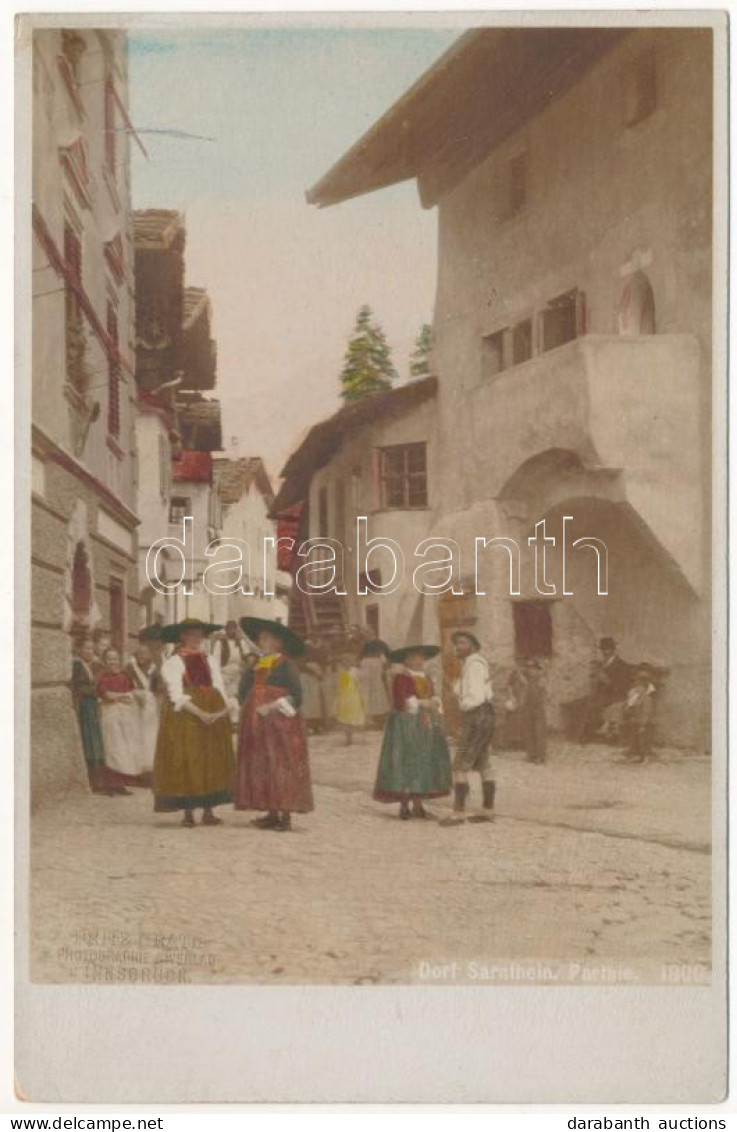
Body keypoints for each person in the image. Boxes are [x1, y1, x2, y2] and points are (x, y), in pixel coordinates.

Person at [153, 618, 235, 827]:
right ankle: (188, 812)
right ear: (183, 637)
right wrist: (200, 713)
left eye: (200, 635)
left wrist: (223, 711)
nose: (197, 639)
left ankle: (209, 811)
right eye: (192, 635)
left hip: (212, 714)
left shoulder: (210, 660)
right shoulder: (174, 662)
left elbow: (219, 687)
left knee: (211, 760)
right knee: (189, 760)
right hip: (186, 718)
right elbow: (175, 695)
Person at [235, 616, 313, 833]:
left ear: (279, 643)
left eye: (268, 639)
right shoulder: (258, 664)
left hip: (281, 724)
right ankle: (271, 812)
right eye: (261, 639)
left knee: (282, 764)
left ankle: (285, 815)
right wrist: (248, 704)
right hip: (258, 723)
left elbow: (296, 695)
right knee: (263, 765)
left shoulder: (286, 664)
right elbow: (244, 689)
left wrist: (271, 706)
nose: (263, 643)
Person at [373, 644, 452, 819]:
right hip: (405, 725)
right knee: (406, 762)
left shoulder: (427, 677)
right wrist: (423, 703)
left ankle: (418, 805)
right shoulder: (401, 678)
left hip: (424, 725)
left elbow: (433, 695)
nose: (418, 661)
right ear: (406, 661)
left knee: (422, 763)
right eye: (414, 658)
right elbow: (402, 701)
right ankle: (404, 805)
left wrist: (435, 703)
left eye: (421, 658)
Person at [443, 630, 496, 825]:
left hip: (475, 718)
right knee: (483, 763)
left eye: (462, 643)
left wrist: (463, 703)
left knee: (459, 764)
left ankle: (458, 813)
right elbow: (483, 691)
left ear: (473, 646)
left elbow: (475, 698)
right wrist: (458, 687)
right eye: (456, 644)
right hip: (486, 718)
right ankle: (488, 810)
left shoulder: (473, 665)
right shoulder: (475, 664)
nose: (457, 647)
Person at [70, 637, 127, 796]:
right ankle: (94, 782)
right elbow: (80, 688)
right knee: (90, 743)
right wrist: (99, 691)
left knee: (98, 743)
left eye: (91, 649)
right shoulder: (76, 665)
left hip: (93, 706)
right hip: (85, 707)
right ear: (79, 650)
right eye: (86, 649)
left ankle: (104, 782)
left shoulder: (92, 666)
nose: (89, 651)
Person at [96, 648, 147, 788]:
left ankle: (124, 780)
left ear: (119, 660)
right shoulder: (102, 676)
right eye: (109, 659)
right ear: (104, 661)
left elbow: (131, 695)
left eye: (115, 659)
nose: (113, 662)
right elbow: (106, 695)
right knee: (112, 746)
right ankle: (112, 782)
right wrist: (121, 696)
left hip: (125, 716)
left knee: (125, 747)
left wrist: (121, 696)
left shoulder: (124, 676)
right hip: (110, 715)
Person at [576, 637, 633, 742]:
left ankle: (587, 734)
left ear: (613, 650)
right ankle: (584, 733)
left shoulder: (622, 666)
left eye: (608, 649)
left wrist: (605, 679)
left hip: (617, 696)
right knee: (581, 702)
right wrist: (596, 678)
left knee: (592, 705)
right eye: (603, 650)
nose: (605, 652)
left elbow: (622, 686)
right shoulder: (602, 664)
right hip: (604, 695)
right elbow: (598, 685)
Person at [125, 643, 159, 781]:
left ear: (150, 655)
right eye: (139, 654)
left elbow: (158, 690)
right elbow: (125, 685)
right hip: (134, 706)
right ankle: (134, 772)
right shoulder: (130, 668)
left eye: (144, 654)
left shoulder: (154, 669)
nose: (141, 657)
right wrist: (134, 693)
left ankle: (148, 772)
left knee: (150, 738)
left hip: (149, 708)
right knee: (135, 737)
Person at [210, 620, 252, 726]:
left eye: (234, 629)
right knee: (224, 697)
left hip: (237, 673)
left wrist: (247, 665)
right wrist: (217, 675)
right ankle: (224, 720)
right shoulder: (220, 643)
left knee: (235, 697)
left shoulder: (241, 643)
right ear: (226, 630)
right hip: (224, 673)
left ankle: (234, 721)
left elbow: (247, 657)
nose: (232, 631)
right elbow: (215, 660)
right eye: (230, 629)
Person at [509, 657, 548, 764]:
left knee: (539, 731)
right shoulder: (524, 679)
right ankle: (531, 755)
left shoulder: (541, 678)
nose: (531, 670)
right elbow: (512, 684)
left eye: (533, 668)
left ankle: (540, 756)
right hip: (526, 707)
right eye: (529, 668)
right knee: (527, 731)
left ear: (537, 669)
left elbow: (543, 690)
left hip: (538, 707)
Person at [623, 664, 658, 763]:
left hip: (646, 719)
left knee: (644, 737)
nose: (639, 682)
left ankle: (645, 755)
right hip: (636, 717)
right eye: (638, 679)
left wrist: (644, 722)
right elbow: (630, 703)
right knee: (634, 736)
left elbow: (648, 709)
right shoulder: (634, 691)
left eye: (644, 679)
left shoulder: (650, 693)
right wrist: (629, 708)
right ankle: (635, 753)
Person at [334, 648, 365, 745]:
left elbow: (359, 684)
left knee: (353, 716)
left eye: (349, 661)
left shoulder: (355, 671)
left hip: (353, 696)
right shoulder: (341, 672)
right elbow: (340, 686)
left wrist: (361, 695)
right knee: (345, 718)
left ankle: (354, 735)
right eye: (344, 661)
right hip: (344, 697)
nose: (347, 663)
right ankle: (348, 737)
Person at [359, 633, 391, 726]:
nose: (367, 636)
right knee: (366, 691)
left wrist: (386, 667)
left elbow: (389, 655)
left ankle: (380, 718)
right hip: (366, 667)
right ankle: (369, 719)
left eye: (369, 633)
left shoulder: (381, 644)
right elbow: (360, 656)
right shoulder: (364, 645)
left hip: (377, 667)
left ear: (374, 633)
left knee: (378, 691)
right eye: (366, 634)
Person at [299, 646, 326, 735]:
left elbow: (320, 676)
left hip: (312, 686)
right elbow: (320, 676)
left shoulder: (314, 665)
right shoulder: (302, 665)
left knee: (314, 705)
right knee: (308, 704)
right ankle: (309, 726)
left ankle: (315, 726)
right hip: (306, 684)